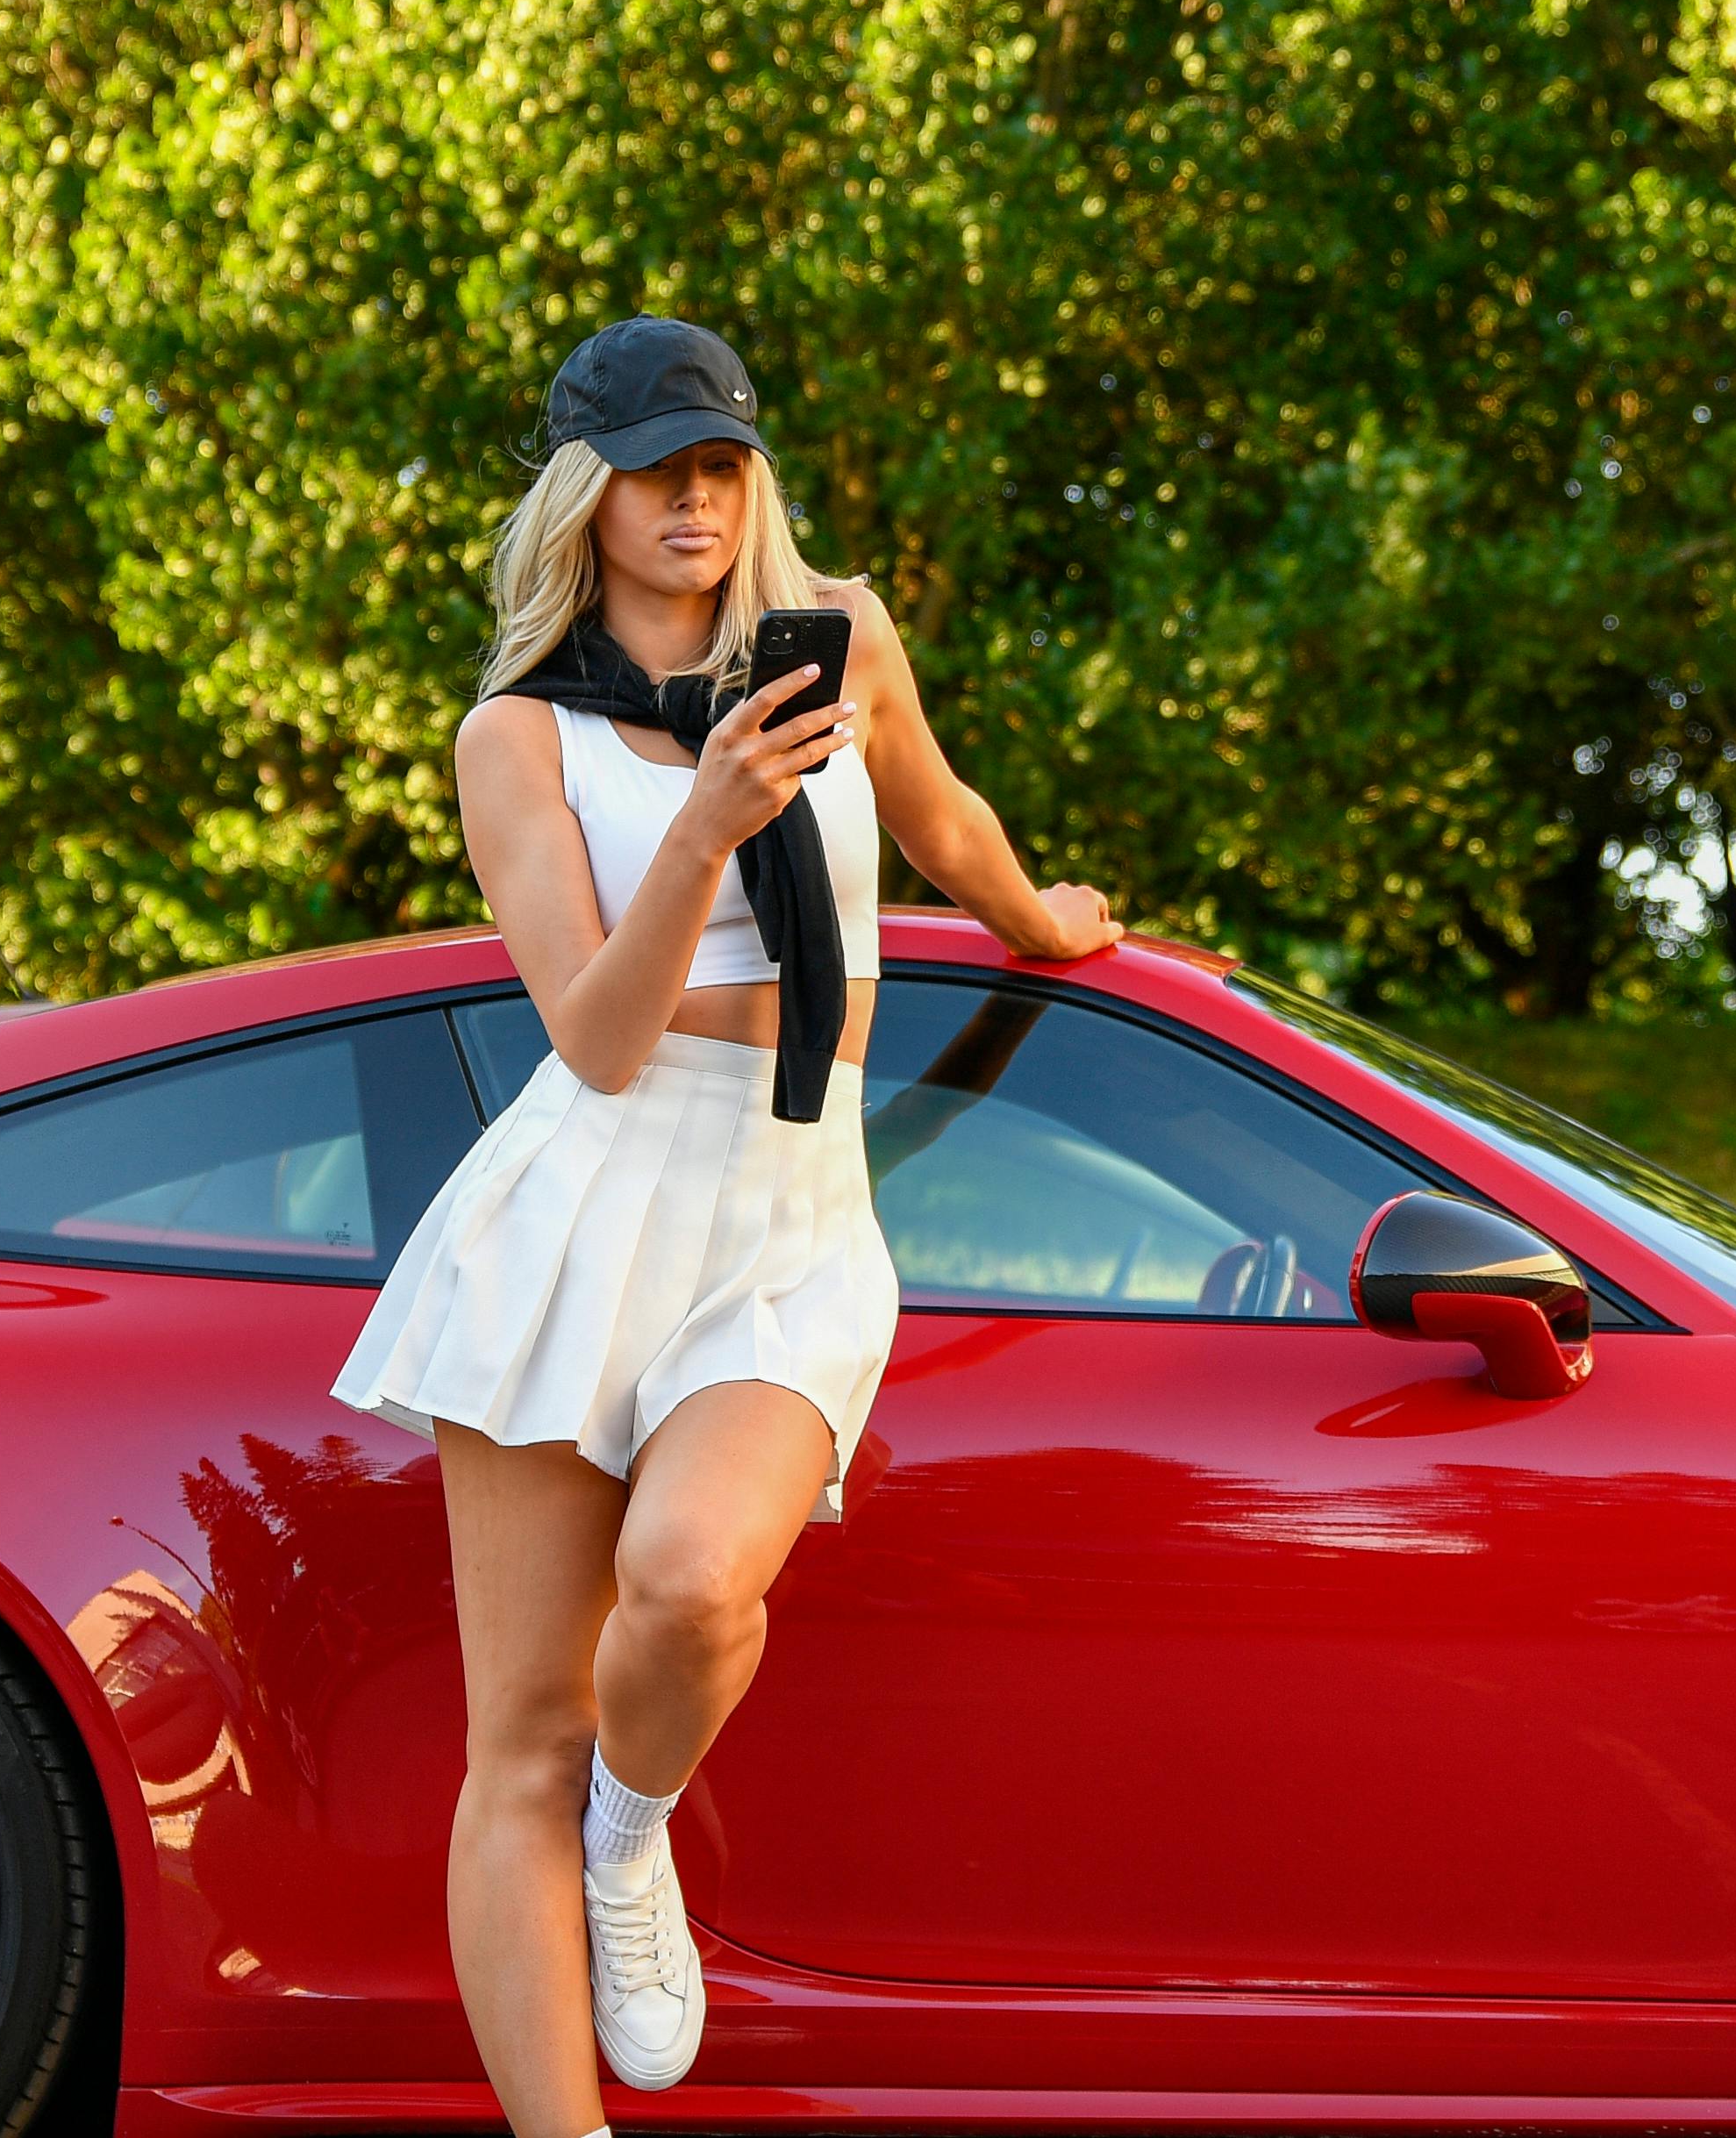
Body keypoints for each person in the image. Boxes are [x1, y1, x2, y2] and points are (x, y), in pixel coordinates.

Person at [329, 314, 1122, 2138]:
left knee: (692, 1584)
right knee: (518, 1743)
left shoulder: (839, 641)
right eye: (653, 473)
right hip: (580, 1212)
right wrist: (700, 830)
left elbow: (939, 820)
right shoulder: (518, 736)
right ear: (584, 499)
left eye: (720, 466)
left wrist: (1043, 922)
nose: (694, 502)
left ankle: (634, 1833)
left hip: (788, 1212)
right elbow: (596, 1036)